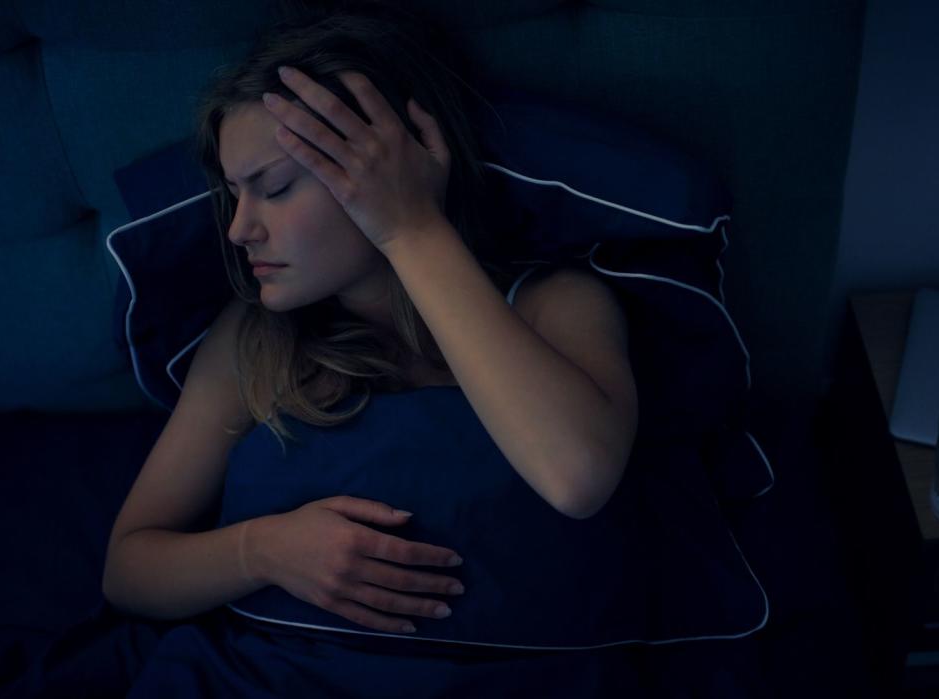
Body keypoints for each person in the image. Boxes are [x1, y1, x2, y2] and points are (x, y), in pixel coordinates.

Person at [94, 1, 657, 696]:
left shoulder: (554, 305)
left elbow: (577, 475)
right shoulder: (256, 339)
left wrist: (410, 226)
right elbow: (128, 570)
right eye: (232, 194)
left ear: (388, 166)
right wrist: (262, 549)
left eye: (274, 188)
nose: (240, 229)